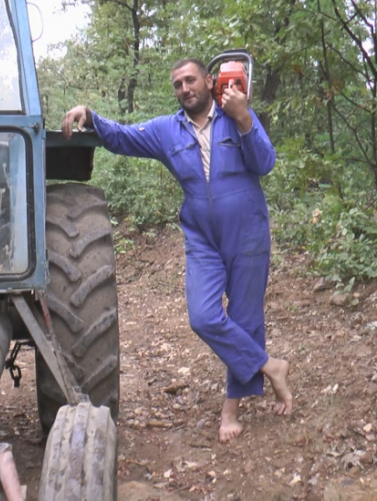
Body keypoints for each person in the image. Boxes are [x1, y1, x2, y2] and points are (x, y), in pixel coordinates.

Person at [61, 58, 292, 442]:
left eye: (190, 80)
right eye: (178, 85)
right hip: (202, 236)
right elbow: (122, 137)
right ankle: (271, 366)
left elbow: (264, 162)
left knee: (245, 318)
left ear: (208, 81)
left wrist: (245, 117)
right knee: (203, 316)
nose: (185, 89)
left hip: (248, 231)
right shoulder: (167, 131)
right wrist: (92, 116)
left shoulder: (235, 113)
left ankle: (231, 408)